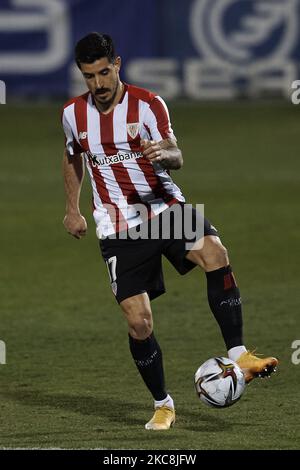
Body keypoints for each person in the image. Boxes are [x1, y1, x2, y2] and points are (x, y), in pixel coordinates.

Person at [61, 32, 278, 430]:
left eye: (104, 73)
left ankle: (240, 353)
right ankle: (163, 404)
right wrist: (73, 209)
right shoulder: (73, 114)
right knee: (139, 322)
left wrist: (165, 153)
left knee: (216, 252)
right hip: (118, 226)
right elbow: (73, 157)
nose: (99, 84)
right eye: (89, 76)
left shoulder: (147, 104)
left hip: (164, 208)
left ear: (118, 64)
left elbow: (176, 152)